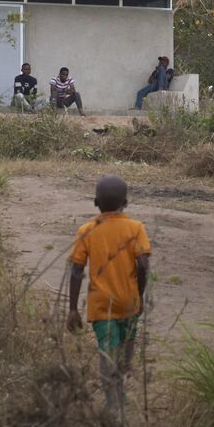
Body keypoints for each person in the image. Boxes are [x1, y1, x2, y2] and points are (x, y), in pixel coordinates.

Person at [68, 174, 152, 413]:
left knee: (107, 352)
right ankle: (120, 395)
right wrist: (139, 294)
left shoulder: (87, 230)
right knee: (126, 349)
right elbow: (143, 265)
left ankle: (113, 403)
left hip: (101, 304)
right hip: (129, 302)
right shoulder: (136, 228)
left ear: (95, 202)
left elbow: (76, 270)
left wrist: (73, 308)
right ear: (126, 203)